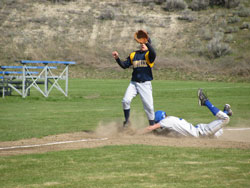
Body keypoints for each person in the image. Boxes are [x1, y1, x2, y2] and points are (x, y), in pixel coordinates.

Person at [145, 89, 233, 138]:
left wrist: (136, 132)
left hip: (202, 132)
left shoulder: (166, 121)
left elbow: (152, 128)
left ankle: (205, 102)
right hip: (201, 131)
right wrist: (156, 133)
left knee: (225, 119)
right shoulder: (170, 122)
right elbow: (161, 133)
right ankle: (226, 112)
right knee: (221, 127)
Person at [112, 31, 156, 127]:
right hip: (134, 83)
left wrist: (147, 41)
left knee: (149, 107)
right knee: (125, 101)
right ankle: (127, 122)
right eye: (142, 43)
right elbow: (124, 65)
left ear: (148, 44)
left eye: (145, 43)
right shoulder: (133, 54)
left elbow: (154, 52)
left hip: (145, 84)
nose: (143, 44)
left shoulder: (149, 55)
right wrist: (117, 59)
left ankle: (152, 126)